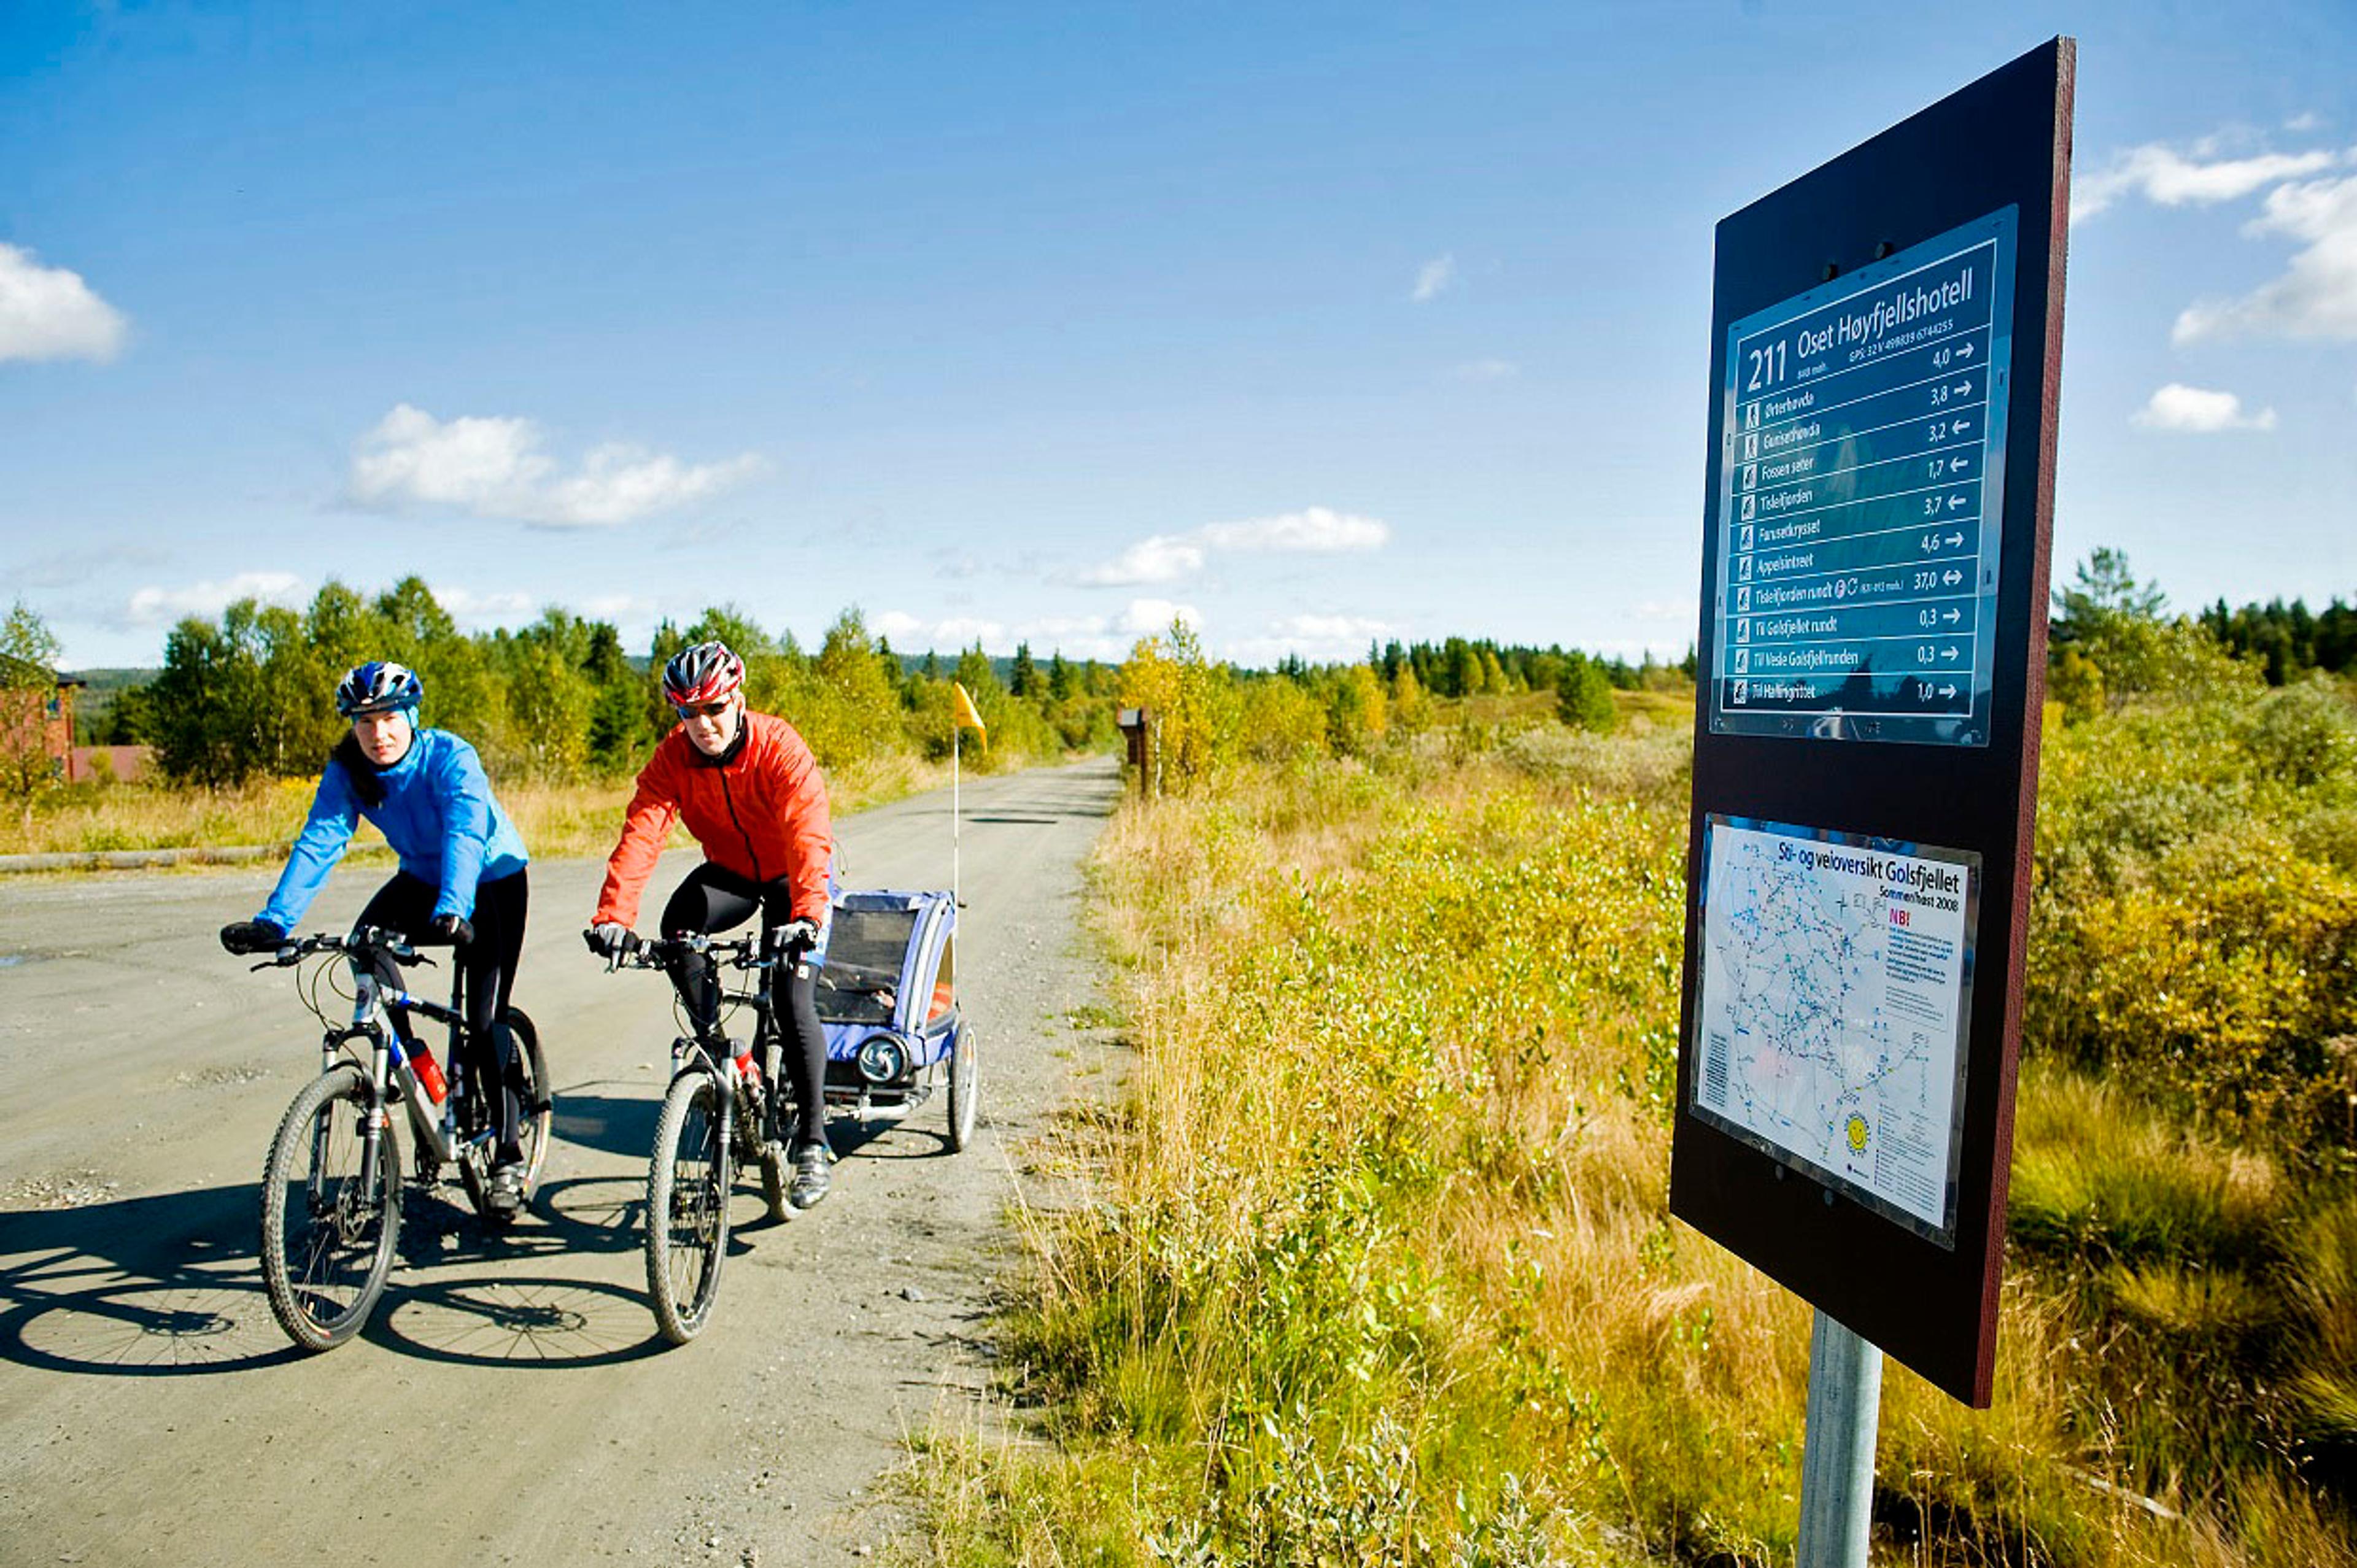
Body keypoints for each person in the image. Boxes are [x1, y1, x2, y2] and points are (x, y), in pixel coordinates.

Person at [220, 660, 535, 1210]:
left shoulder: (450, 757)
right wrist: (275, 921)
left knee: (485, 1019)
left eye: (389, 716)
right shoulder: (349, 771)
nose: (377, 733)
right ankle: (414, 1066)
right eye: (363, 721)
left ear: (411, 714)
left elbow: (465, 830)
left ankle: (507, 1154)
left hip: (490, 880)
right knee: (364, 946)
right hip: (419, 878)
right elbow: (321, 839)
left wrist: (454, 908)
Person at [584, 639, 837, 1208]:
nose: (702, 724)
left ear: (738, 700)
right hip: (730, 874)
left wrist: (807, 915)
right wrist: (614, 918)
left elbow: (808, 832)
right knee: (679, 927)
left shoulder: (779, 747)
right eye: (687, 712)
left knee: (792, 998)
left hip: (792, 881)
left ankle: (814, 1144)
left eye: (714, 709)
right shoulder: (675, 755)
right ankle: (722, 1053)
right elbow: (644, 829)